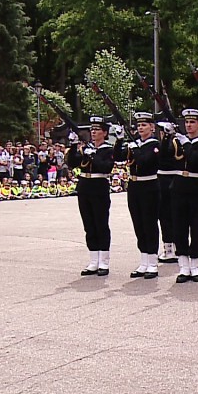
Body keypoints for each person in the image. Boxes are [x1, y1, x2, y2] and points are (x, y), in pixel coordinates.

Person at [114, 112, 161, 279]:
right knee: (138, 223)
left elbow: (146, 161)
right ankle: (144, 260)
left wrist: (135, 148)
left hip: (149, 185)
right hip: (134, 186)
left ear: (152, 127)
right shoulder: (134, 144)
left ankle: (153, 262)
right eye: (139, 125)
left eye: (144, 125)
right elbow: (118, 157)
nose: (140, 128)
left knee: (149, 223)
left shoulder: (155, 145)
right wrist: (119, 140)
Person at [66, 116, 115, 276]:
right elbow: (72, 163)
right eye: (92, 129)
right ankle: (94, 260)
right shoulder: (85, 148)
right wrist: (73, 146)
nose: (93, 132)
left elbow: (106, 168)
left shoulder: (108, 150)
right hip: (84, 186)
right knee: (89, 224)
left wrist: (93, 155)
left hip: (99, 186)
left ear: (105, 133)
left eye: (97, 130)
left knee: (101, 224)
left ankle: (104, 261)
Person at [170, 109, 198, 283]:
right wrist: (167, 137)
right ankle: (183, 265)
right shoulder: (178, 141)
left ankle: (195, 265)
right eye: (186, 122)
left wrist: (186, 144)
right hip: (179, 187)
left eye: (192, 122)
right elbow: (166, 159)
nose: (188, 125)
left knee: (196, 227)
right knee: (179, 227)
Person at [156, 118, 181, 264]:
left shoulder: (176, 143)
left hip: (174, 179)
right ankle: (168, 247)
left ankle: (178, 246)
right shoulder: (161, 144)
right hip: (162, 181)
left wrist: (168, 138)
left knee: (176, 215)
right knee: (164, 215)